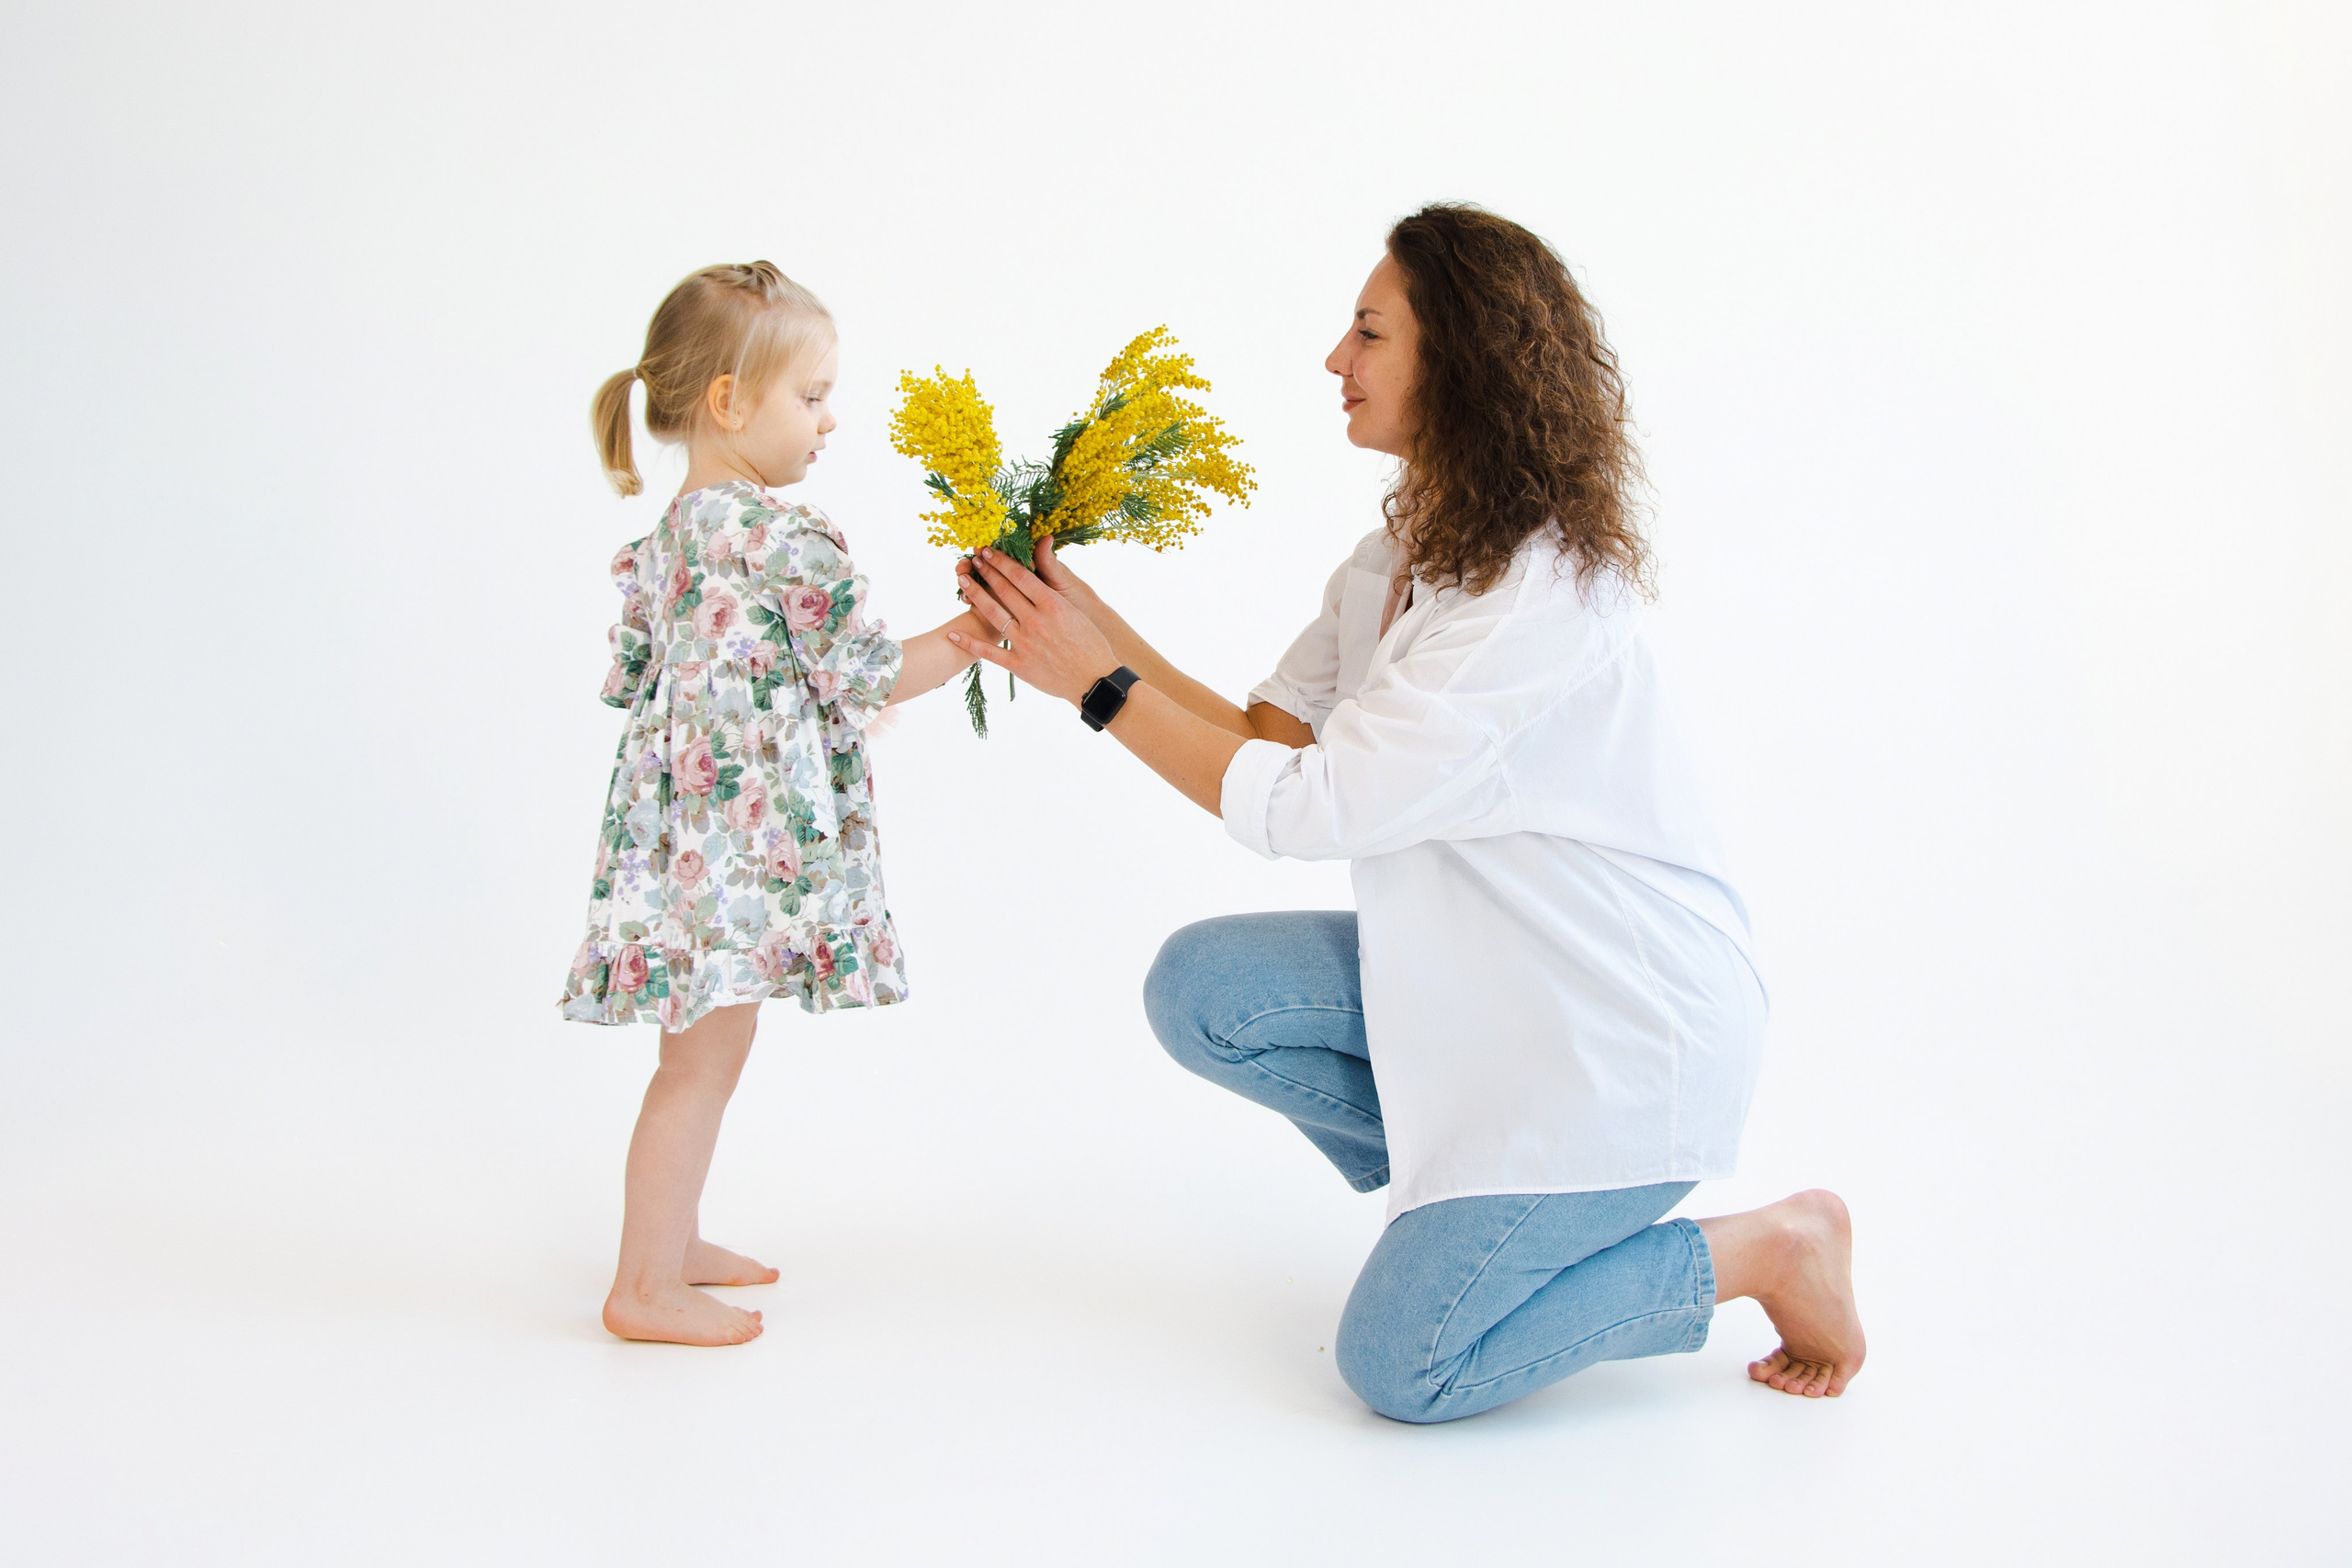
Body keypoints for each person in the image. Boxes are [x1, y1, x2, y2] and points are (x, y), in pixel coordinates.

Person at [950, 206, 1865, 1421]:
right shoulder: (1403, 548)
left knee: (1405, 1366)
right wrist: (1082, 622)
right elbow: (1272, 742)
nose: (1337, 357)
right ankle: (1477, 1200)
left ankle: (1762, 1247)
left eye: (1370, 332)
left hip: (1622, 1038)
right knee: (1205, 989)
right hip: (1500, 986)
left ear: (1463, 363)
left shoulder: (1537, 599)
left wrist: (1096, 686)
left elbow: (1308, 807)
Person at [561, 263, 989, 1347]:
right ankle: (643, 1285)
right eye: (811, 397)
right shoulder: (778, 536)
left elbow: (633, 678)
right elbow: (863, 673)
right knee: (699, 1063)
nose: (828, 420)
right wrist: (969, 637)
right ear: (728, 402)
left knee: (700, 1053)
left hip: (680, 844)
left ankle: (673, 1240)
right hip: (735, 856)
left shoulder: (669, 538)